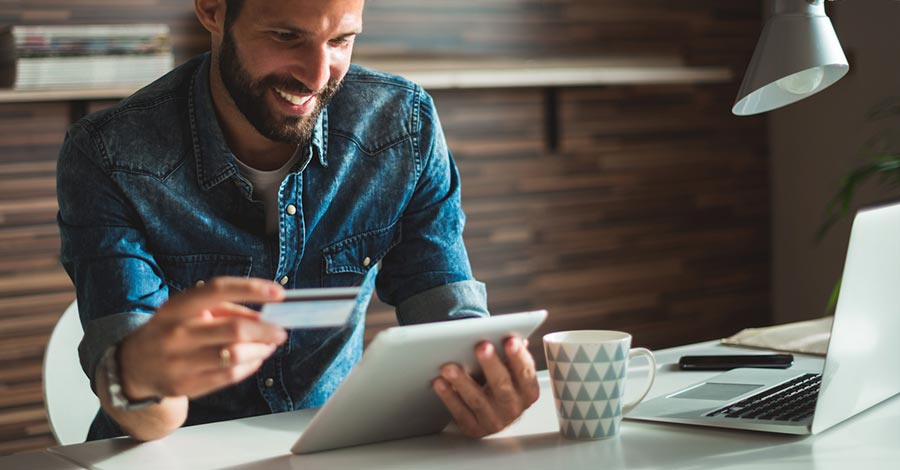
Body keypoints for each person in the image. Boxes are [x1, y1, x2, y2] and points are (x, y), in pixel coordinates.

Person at [56, 0, 540, 442]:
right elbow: (146, 415)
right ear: (211, 10)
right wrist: (140, 374)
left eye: (340, 41)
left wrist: (483, 387)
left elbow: (446, 317)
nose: (316, 75)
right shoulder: (109, 154)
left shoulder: (402, 127)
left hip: (331, 447)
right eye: (286, 37)